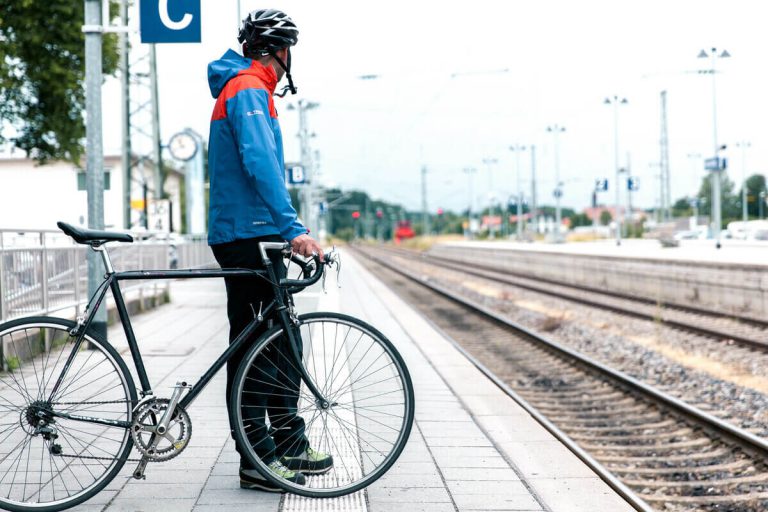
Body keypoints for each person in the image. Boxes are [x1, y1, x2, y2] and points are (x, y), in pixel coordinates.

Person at [206, 8, 332, 492]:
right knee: (256, 348)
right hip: (246, 235)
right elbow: (260, 164)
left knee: (282, 342)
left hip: (254, 232)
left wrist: (284, 229)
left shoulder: (247, 87)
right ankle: (257, 459)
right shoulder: (247, 89)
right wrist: (294, 229)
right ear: (281, 52)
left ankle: (287, 442)